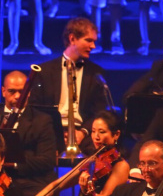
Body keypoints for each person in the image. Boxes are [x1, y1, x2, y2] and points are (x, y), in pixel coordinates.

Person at [30, 17, 107, 148]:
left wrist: (83, 133)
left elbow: (99, 111)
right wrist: (53, 132)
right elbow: (35, 109)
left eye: (94, 41)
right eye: (88, 40)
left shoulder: (96, 73)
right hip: (50, 132)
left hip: (84, 133)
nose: (93, 46)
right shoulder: (44, 71)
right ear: (72, 39)